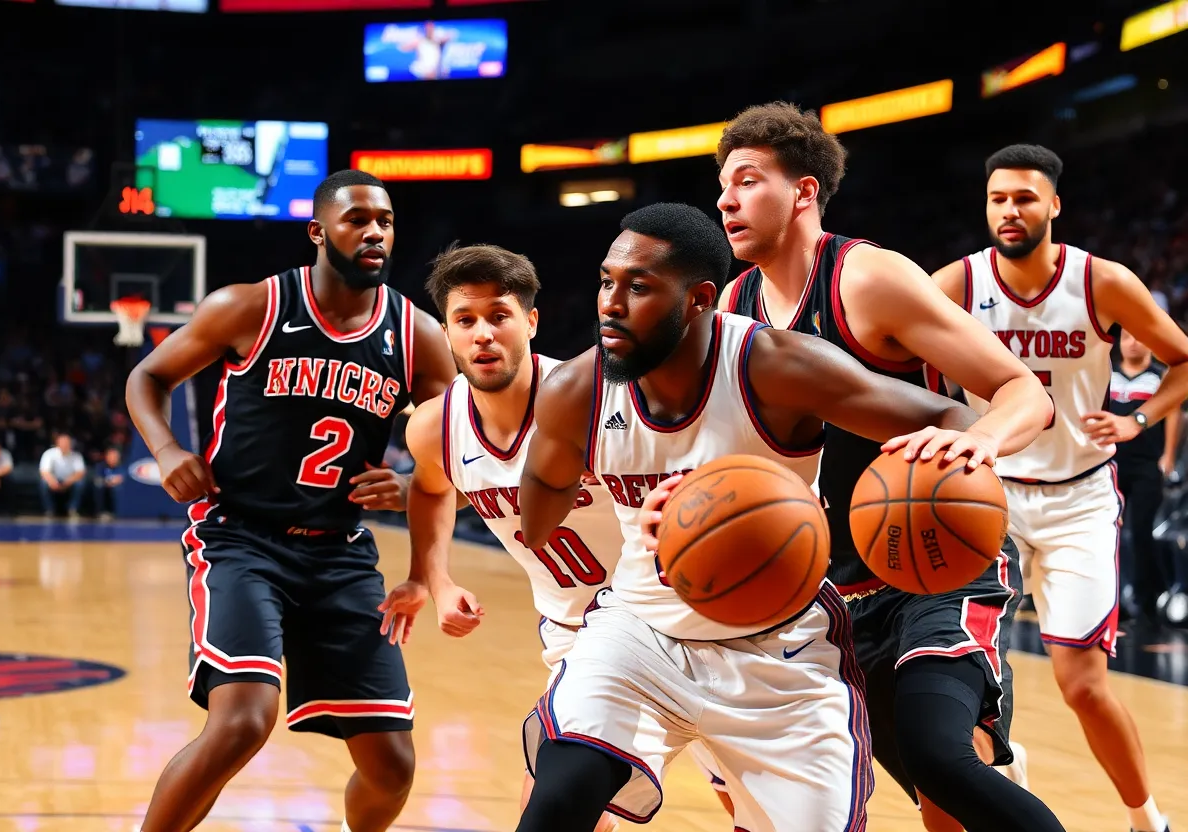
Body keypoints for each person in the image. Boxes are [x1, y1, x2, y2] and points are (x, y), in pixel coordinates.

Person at [514, 201, 1022, 832]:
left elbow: (953, 419)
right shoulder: (577, 392)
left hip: (781, 647)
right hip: (642, 633)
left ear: (700, 299)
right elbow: (536, 523)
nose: (610, 303)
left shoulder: (776, 366)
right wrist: (606, 495)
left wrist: (907, 490)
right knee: (559, 797)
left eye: (638, 287)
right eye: (606, 281)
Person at [713, 101, 1063, 832]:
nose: (725, 199)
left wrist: (983, 441)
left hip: (936, 560)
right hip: (829, 589)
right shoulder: (733, 309)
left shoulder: (868, 279)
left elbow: (1023, 391)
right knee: (928, 804)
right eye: (723, 185)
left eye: (747, 181)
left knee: (941, 760)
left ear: (804, 191)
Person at [124, 169, 458, 832]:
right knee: (244, 721)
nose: (374, 233)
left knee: (393, 764)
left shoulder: (417, 335)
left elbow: (463, 442)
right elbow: (148, 376)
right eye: (357, 219)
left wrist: (419, 479)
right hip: (241, 539)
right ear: (318, 232)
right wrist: (165, 450)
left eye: (385, 221)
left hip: (341, 554)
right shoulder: (251, 307)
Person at [378, 242, 734, 830]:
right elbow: (434, 488)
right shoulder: (433, 427)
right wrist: (433, 579)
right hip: (581, 635)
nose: (484, 334)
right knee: (556, 804)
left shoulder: (595, 399)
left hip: (684, 622)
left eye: (500, 315)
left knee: (745, 801)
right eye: (466, 320)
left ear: (531, 322)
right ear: (446, 332)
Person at [933, 143, 1188, 832]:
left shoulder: (1101, 281)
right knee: (964, 673)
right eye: (997, 198)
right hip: (987, 496)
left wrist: (1139, 420)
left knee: (1081, 685)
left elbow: (1182, 359)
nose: (1009, 210)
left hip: (1078, 497)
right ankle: (1001, 767)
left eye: (1023, 197)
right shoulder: (956, 283)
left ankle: (1147, 819)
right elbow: (896, 354)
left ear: (1054, 205)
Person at [1110, 329, 1180, 624]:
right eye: (1126, 337)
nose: (1133, 342)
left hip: (1147, 465)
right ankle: (1114, 603)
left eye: (1137, 337)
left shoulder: (1160, 376)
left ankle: (1147, 599)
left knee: (1140, 532)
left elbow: (1174, 413)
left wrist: (1168, 455)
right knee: (1108, 534)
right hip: (1111, 463)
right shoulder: (1107, 374)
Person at [38, 432, 86, 518]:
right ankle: (49, 510)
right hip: (53, 481)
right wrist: (53, 482)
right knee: (43, 483)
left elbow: (80, 472)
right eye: (62, 443)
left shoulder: (76, 456)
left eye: (67, 443)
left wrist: (67, 482)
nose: (65, 445)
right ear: (57, 444)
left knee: (80, 483)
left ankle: (72, 509)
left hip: (69, 481)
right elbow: (44, 472)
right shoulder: (49, 453)